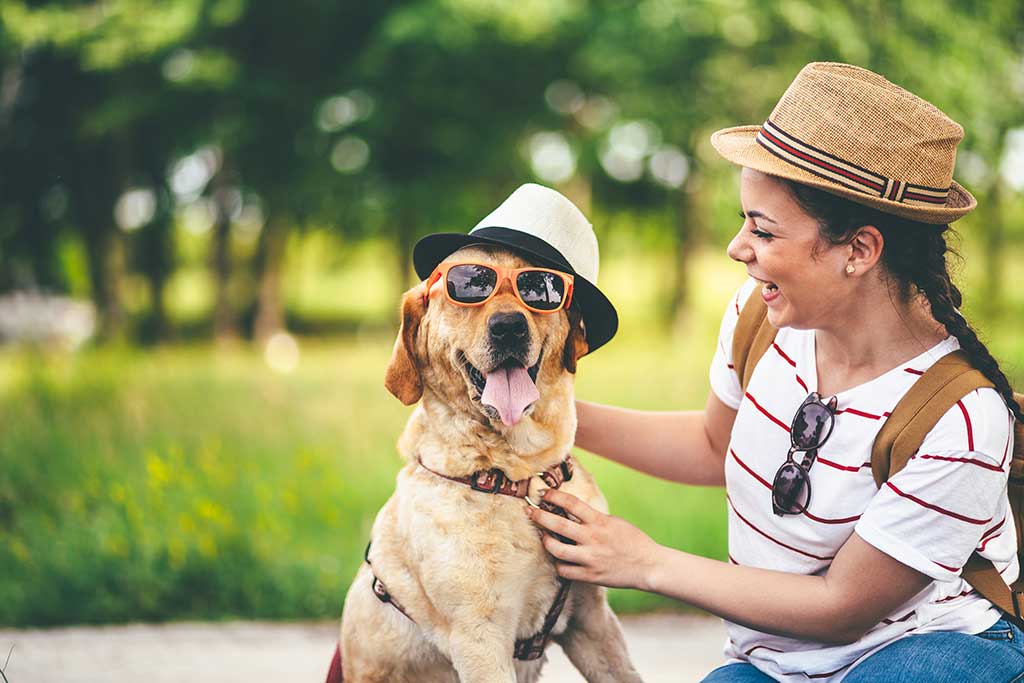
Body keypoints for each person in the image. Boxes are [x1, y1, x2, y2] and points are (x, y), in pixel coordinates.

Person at [524, 62, 1024, 682]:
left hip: (936, 651)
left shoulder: (960, 420)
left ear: (860, 251)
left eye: (762, 229)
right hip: (780, 660)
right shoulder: (760, 319)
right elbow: (713, 446)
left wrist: (644, 562)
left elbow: (841, 607)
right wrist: (547, 414)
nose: (738, 248)